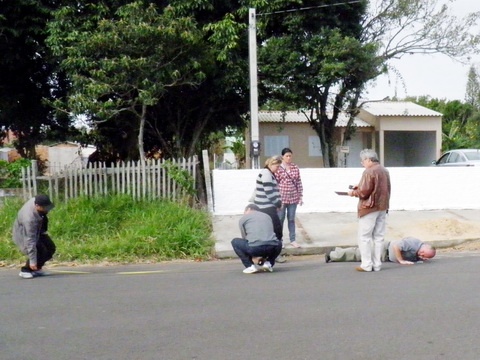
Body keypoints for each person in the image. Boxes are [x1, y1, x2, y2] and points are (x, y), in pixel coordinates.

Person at [348, 149, 391, 272]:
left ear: (368, 159)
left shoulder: (369, 171)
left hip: (369, 208)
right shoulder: (384, 170)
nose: (362, 163)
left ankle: (366, 264)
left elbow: (363, 192)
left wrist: (353, 192)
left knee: (364, 237)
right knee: (378, 237)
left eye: (363, 160)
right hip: (382, 206)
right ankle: (377, 264)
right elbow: (384, 188)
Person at [13, 194, 56, 279]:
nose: (47, 209)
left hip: (38, 230)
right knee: (40, 250)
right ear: (37, 206)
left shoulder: (37, 200)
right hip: (25, 234)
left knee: (51, 248)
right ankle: (25, 270)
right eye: (45, 207)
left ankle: (37, 269)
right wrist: (32, 261)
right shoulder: (29, 219)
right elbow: (30, 240)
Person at [231, 204, 283, 274]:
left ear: (249, 209)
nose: (244, 213)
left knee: (235, 242)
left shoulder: (243, 218)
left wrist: (253, 255)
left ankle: (250, 266)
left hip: (254, 248)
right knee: (278, 242)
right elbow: (270, 234)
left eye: (244, 211)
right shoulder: (267, 216)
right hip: (272, 247)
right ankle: (268, 263)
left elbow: (245, 238)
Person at [325, 237, 436, 264]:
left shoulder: (418, 252)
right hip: (384, 250)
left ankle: (337, 250)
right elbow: (396, 246)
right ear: (424, 248)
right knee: (358, 254)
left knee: (359, 251)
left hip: (384, 256)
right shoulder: (413, 243)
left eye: (427, 258)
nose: (424, 257)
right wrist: (400, 260)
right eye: (425, 255)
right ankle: (331, 255)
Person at [275, 148, 304, 248]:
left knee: (291, 219)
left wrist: (300, 196)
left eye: (290, 156)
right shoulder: (278, 169)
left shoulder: (295, 167)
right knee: (280, 219)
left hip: (293, 198)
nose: (288, 158)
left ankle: (293, 239)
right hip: (282, 198)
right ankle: (280, 239)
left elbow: (298, 182)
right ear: (282, 156)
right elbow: (276, 183)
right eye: (286, 156)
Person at [253, 156, 283, 243]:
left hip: (266, 205)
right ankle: (276, 246)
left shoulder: (267, 173)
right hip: (266, 206)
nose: (278, 169)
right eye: (277, 166)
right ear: (271, 164)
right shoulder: (266, 174)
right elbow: (269, 192)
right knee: (277, 228)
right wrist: (278, 203)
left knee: (270, 227)